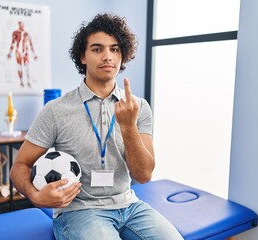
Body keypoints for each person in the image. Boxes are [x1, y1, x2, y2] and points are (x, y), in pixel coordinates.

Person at [10, 13, 183, 240]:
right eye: (97, 49)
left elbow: (143, 175)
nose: (107, 57)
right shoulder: (56, 110)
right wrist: (35, 195)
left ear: (123, 55)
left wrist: (128, 126)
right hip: (79, 211)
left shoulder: (138, 107)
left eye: (115, 49)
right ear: (82, 56)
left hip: (130, 206)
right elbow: (20, 165)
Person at [7, 21, 37, 88]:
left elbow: (31, 44)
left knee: (27, 67)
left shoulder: (27, 33)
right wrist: (10, 53)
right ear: (19, 24)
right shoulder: (15, 32)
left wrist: (34, 54)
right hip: (18, 52)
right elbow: (12, 43)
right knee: (19, 67)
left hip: (25, 52)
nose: (21, 25)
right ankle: (21, 81)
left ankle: (28, 81)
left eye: (22, 24)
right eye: (20, 24)